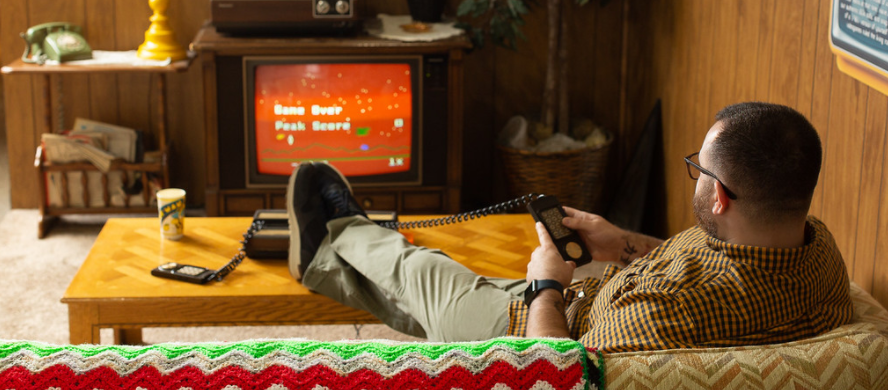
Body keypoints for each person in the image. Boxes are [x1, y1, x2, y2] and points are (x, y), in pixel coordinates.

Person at [287, 102, 853, 352]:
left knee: (425, 272)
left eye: (697, 170)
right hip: (591, 296)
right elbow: (709, 263)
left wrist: (547, 283)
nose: (694, 177)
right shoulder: (818, 250)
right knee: (426, 309)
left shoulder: (668, 311)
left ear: (722, 198)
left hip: (533, 327)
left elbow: (550, 371)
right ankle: (320, 262)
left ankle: (345, 228)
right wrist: (625, 243)